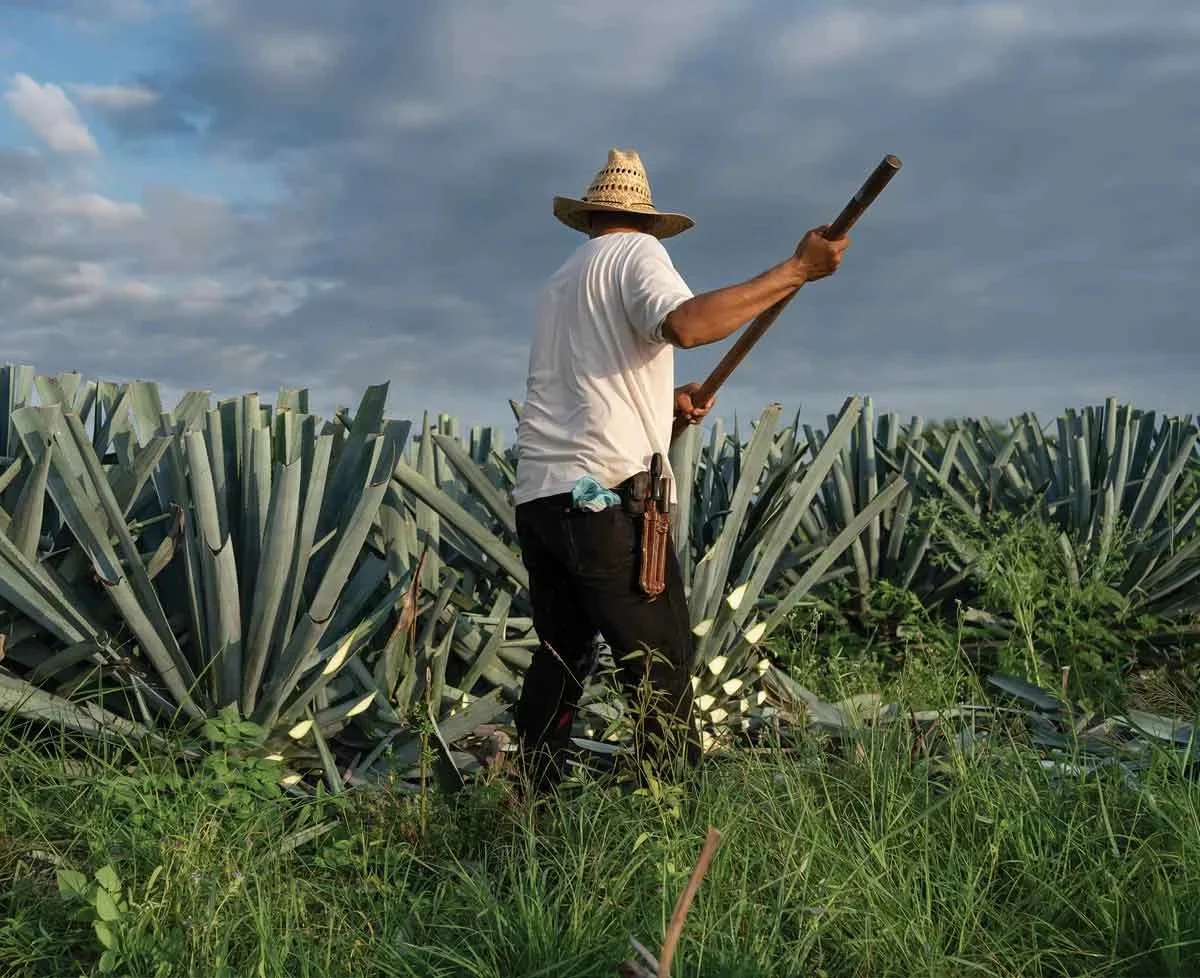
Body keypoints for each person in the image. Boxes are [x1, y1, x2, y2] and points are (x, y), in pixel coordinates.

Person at [510, 147, 849, 793]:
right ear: (644, 222)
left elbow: (586, 392)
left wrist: (661, 409)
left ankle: (531, 800)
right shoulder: (636, 255)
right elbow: (689, 326)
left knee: (562, 656)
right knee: (659, 664)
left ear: (588, 219)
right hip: (607, 499)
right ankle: (671, 813)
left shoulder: (561, 282)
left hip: (545, 498)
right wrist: (797, 269)